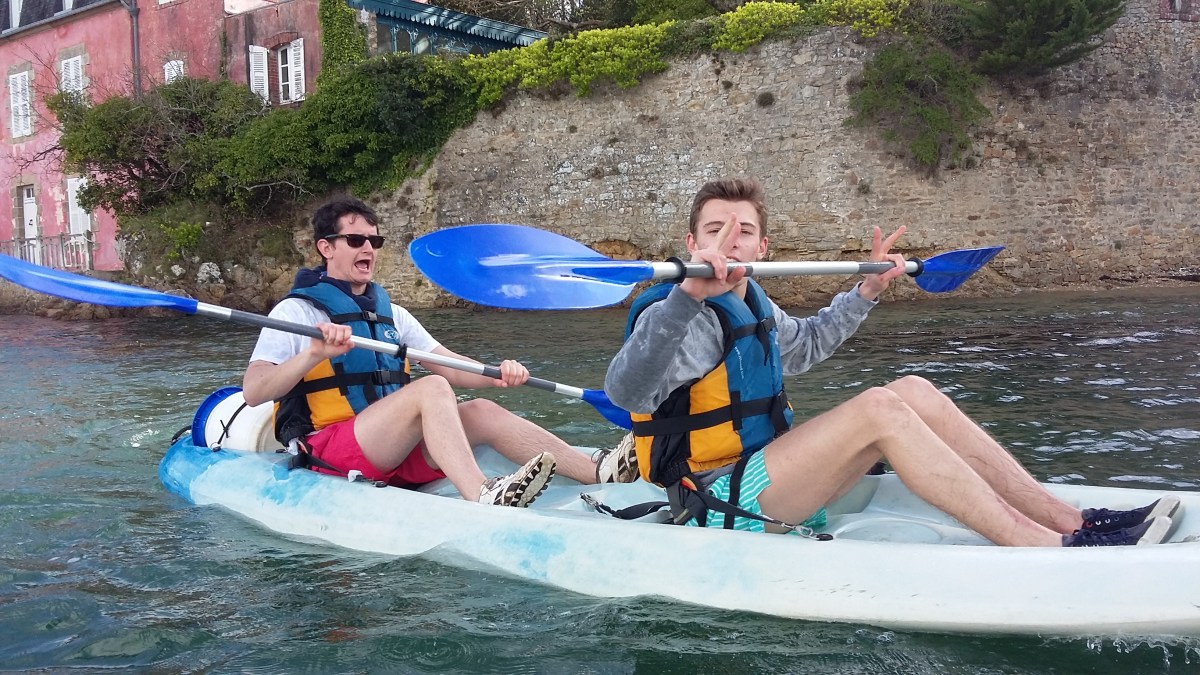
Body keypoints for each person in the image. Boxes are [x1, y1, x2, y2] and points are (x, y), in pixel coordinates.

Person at [604, 177, 1180, 546]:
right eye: (716, 230)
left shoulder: (752, 298)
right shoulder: (682, 313)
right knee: (880, 408)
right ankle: (1047, 547)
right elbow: (628, 394)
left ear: (762, 247)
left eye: (744, 231)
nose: (730, 241)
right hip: (712, 496)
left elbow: (804, 347)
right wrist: (686, 298)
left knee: (914, 390)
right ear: (693, 244)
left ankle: (1070, 521)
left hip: (768, 471)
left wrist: (866, 293)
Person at [243, 195, 638, 508]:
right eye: (356, 240)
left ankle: (597, 471)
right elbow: (255, 391)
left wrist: (495, 374)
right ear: (326, 247)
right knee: (430, 388)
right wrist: (313, 354)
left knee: (481, 410)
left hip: (394, 450)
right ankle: (481, 492)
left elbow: (447, 364)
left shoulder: (392, 313)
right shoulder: (297, 312)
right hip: (333, 451)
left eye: (375, 241)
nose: (369, 249)